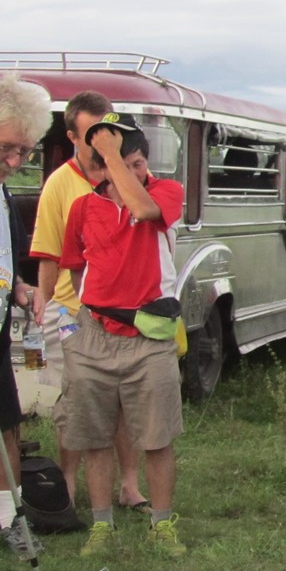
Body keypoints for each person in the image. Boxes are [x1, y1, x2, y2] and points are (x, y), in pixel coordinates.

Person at [59, 113, 187, 555]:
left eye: (137, 164)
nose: (131, 172)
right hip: (95, 334)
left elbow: (145, 211)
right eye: (120, 164)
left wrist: (113, 154)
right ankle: (102, 525)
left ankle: (162, 524)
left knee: (156, 435)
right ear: (98, 169)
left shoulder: (165, 192)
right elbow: (75, 268)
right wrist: (90, 311)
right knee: (94, 435)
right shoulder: (83, 207)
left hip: (149, 336)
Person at [27, 90, 148, 512]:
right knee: (76, 401)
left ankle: (129, 485)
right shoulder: (59, 185)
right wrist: (46, 311)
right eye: (92, 134)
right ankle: (67, 486)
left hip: (126, 310)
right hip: (73, 311)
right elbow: (48, 256)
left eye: (108, 133)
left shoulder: (128, 173)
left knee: (124, 401)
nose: (102, 142)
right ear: (73, 137)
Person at [0, 73, 51, 555]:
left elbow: (8, 263)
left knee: (6, 428)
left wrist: (19, 288)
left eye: (23, 152)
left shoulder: (4, 196)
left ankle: (6, 520)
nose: (15, 162)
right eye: (6, 149)